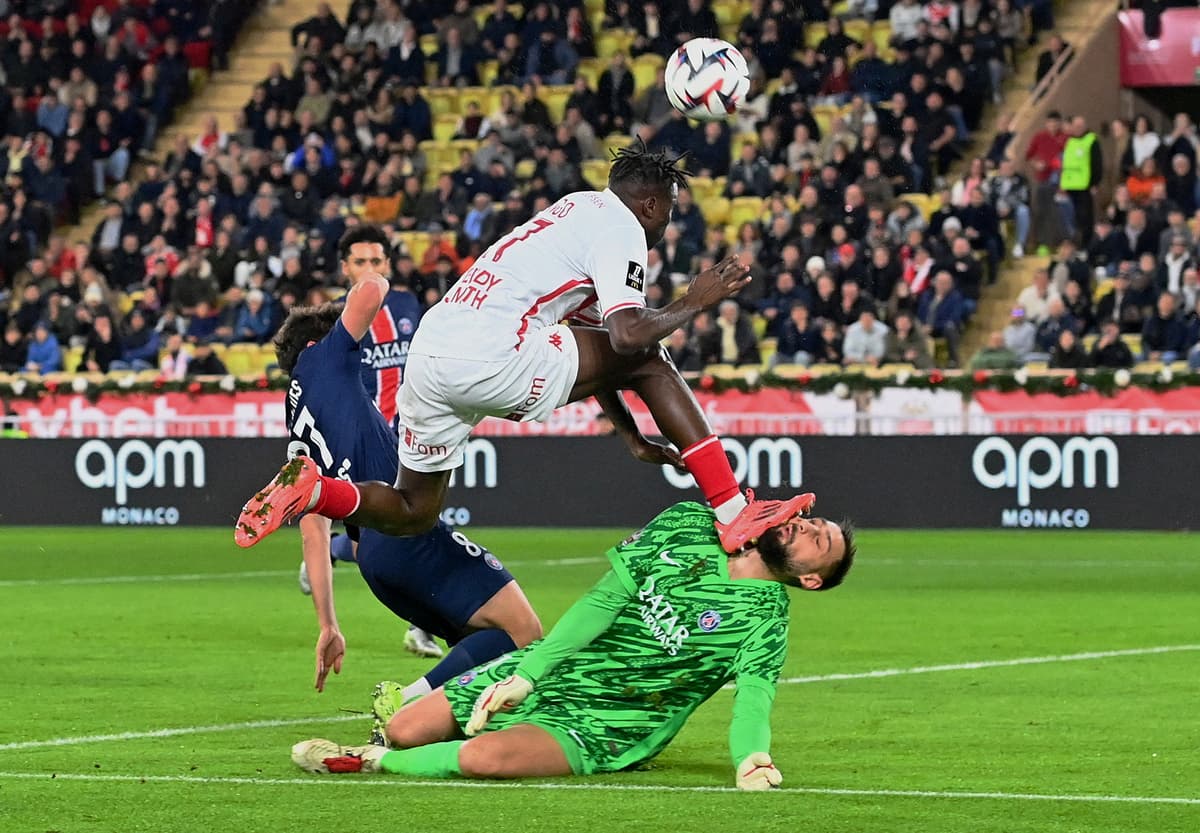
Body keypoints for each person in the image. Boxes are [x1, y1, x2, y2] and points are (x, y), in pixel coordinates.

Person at [237, 141, 812, 554]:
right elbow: (629, 339)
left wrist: (632, 436)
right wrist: (695, 299)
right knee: (651, 359)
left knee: (414, 510)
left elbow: (600, 346)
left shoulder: (577, 210)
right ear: (653, 206)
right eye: (669, 214)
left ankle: (319, 491)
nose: (665, 227)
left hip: (433, 350)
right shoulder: (624, 231)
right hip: (493, 351)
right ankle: (734, 511)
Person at [290, 500, 855, 787]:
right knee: (407, 725)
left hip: (610, 723)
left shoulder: (766, 619)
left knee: (484, 760)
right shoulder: (690, 522)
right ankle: (395, 744)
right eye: (812, 521)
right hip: (557, 669)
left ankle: (372, 761)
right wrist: (528, 673)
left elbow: (753, 698)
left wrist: (751, 759)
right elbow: (602, 603)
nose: (807, 528)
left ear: (810, 579)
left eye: (819, 541)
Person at [272, 270, 542, 709]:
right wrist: (372, 268)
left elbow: (313, 527)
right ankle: (406, 705)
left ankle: (441, 722)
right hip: (404, 534)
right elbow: (373, 289)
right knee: (523, 632)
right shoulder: (323, 357)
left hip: (375, 565)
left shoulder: (297, 416)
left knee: (488, 643)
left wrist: (328, 624)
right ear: (313, 345)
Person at [302, 225, 440, 659]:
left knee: (415, 529)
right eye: (360, 262)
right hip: (363, 442)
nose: (369, 269)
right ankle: (423, 622)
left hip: (410, 435)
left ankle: (422, 625)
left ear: (388, 264)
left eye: (376, 261)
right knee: (393, 534)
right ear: (344, 269)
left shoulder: (405, 306)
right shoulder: (336, 322)